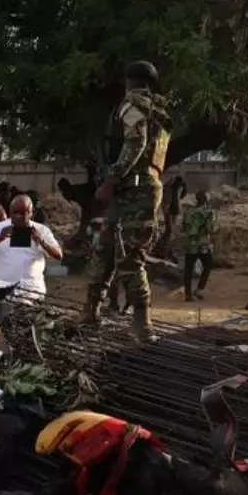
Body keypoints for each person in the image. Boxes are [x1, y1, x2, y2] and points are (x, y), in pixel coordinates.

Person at [83, 60, 173, 342]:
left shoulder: (133, 104)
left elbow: (135, 142)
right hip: (136, 191)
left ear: (127, 81)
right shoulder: (159, 113)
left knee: (130, 257)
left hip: (134, 191)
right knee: (104, 249)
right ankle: (90, 313)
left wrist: (111, 180)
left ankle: (143, 325)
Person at [0, 194, 63, 299]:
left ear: (32, 213)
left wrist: (40, 240)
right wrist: (0, 238)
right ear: (10, 212)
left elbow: (58, 255)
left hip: (32, 292)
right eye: (16, 212)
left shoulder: (41, 230)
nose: (21, 217)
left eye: (25, 212)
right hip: (2, 291)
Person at [182, 190, 217, 301]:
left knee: (188, 269)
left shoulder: (188, 212)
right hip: (203, 244)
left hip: (190, 244)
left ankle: (187, 294)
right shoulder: (209, 212)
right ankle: (199, 289)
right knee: (208, 266)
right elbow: (211, 229)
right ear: (206, 200)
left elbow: (183, 228)